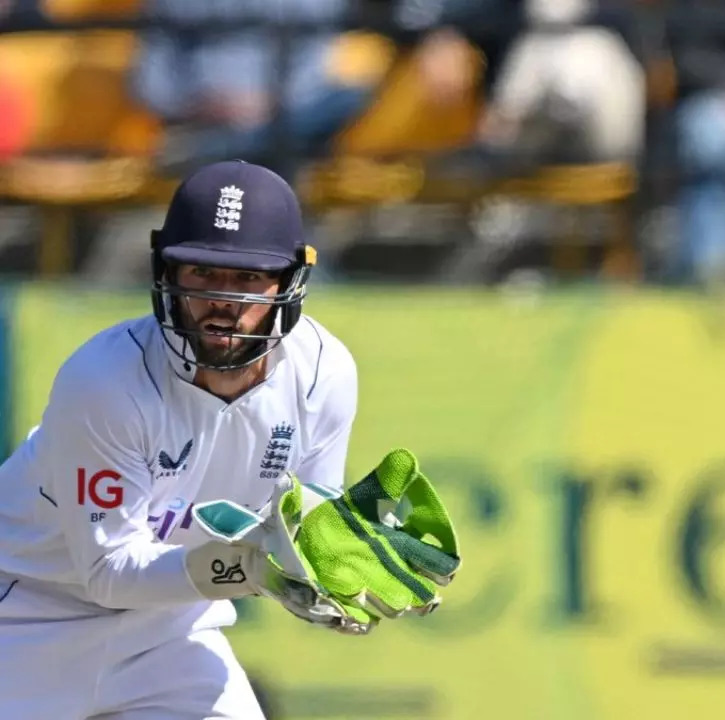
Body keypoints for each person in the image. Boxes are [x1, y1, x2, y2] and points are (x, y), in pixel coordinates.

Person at [0, 160, 458, 718]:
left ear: (288, 283)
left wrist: (319, 564)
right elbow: (108, 574)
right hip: (25, 617)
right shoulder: (105, 380)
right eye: (204, 273)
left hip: (169, 637)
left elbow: (306, 522)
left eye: (247, 278)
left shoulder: (323, 374)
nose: (225, 301)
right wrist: (254, 569)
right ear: (167, 275)